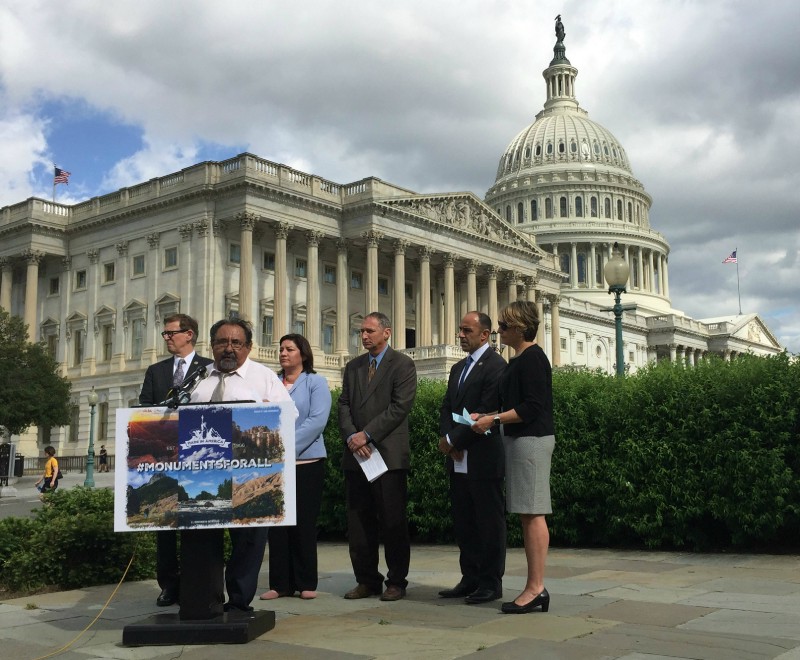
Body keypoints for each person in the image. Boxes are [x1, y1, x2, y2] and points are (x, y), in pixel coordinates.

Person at [190, 317, 295, 612]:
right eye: (222, 342)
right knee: (203, 535)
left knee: (248, 540)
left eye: (236, 343)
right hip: (205, 475)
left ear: (248, 347)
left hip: (250, 472)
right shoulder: (198, 378)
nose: (228, 349)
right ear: (211, 346)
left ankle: (238, 600)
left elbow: (289, 417)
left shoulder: (264, 378)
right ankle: (204, 598)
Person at [471, 300, 555, 614]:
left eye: (504, 326)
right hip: (521, 440)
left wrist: (492, 420)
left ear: (519, 328)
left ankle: (536, 588)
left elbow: (533, 407)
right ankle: (535, 587)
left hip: (531, 441)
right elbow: (517, 404)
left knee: (533, 512)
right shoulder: (520, 359)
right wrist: (488, 414)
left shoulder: (532, 359)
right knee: (527, 512)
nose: (498, 331)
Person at [339, 312, 417, 601]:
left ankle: (396, 581)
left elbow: (400, 407)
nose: (364, 336)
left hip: (386, 455)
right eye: (361, 331)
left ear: (387, 332)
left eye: (370, 331)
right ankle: (367, 580)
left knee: (392, 521)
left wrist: (366, 435)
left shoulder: (403, 364)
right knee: (358, 522)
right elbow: (344, 405)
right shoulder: (353, 366)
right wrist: (352, 437)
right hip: (356, 456)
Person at [139, 313, 213, 607]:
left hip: (199, 457)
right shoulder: (156, 372)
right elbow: (144, 407)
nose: (167, 338)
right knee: (165, 523)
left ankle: (201, 582)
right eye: (165, 334)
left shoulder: (209, 368)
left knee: (199, 520)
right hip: (164, 458)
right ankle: (169, 584)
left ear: (189, 334)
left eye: (171, 333)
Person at [438, 311, 507, 604]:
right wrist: (446, 440)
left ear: (485, 334)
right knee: (464, 520)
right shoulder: (457, 368)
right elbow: (446, 407)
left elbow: (488, 407)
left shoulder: (496, 366)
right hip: (458, 457)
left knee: (488, 522)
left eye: (467, 330)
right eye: (460, 329)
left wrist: (454, 439)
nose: (461, 335)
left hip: (483, 455)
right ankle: (470, 577)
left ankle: (490, 583)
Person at [259, 334, 332, 602]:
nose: (283, 353)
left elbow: (316, 421)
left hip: (307, 461)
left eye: (290, 349)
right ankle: (280, 583)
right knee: (277, 524)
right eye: (281, 349)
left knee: (303, 524)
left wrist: (284, 446)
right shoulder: (271, 384)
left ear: (303, 353)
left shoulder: (315, 382)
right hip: (274, 465)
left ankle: (305, 581)